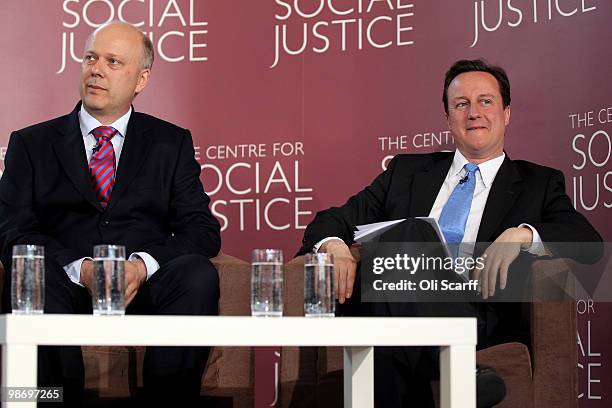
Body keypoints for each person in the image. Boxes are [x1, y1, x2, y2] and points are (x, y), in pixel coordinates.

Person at [299, 59, 602, 407]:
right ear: (448, 118)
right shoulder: (406, 172)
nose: (473, 113)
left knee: (387, 329)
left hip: (474, 313)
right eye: (461, 104)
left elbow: (588, 244)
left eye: (485, 101)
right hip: (388, 305)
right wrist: (334, 245)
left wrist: (522, 234)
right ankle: (458, 370)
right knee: (410, 234)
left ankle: (448, 357)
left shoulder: (538, 183)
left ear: (506, 113)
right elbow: (331, 219)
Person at [0, 22, 220, 405]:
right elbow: (11, 231)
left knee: (196, 275)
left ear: (141, 79)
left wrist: (141, 266)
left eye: (113, 61)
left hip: (143, 289)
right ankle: (55, 400)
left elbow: (202, 230)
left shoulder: (170, 143)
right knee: (32, 273)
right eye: (90, 58)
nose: (96, 69)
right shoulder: (31, 143)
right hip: (64, 287)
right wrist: (80, 267)